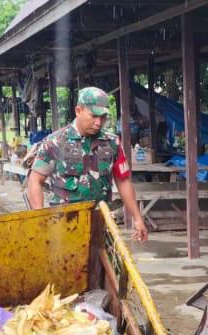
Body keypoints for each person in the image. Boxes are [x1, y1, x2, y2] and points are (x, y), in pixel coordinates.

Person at [26, 86, 148, 242]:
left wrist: (138, 218)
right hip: (63, 226)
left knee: (105, 265)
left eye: (103, 117)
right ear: (78, 110)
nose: (98, 123)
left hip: (100, 224)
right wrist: (39, 219)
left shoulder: (112, 143)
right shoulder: (55, 142)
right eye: (93, 116)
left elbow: (123, 181)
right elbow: (35, 180)